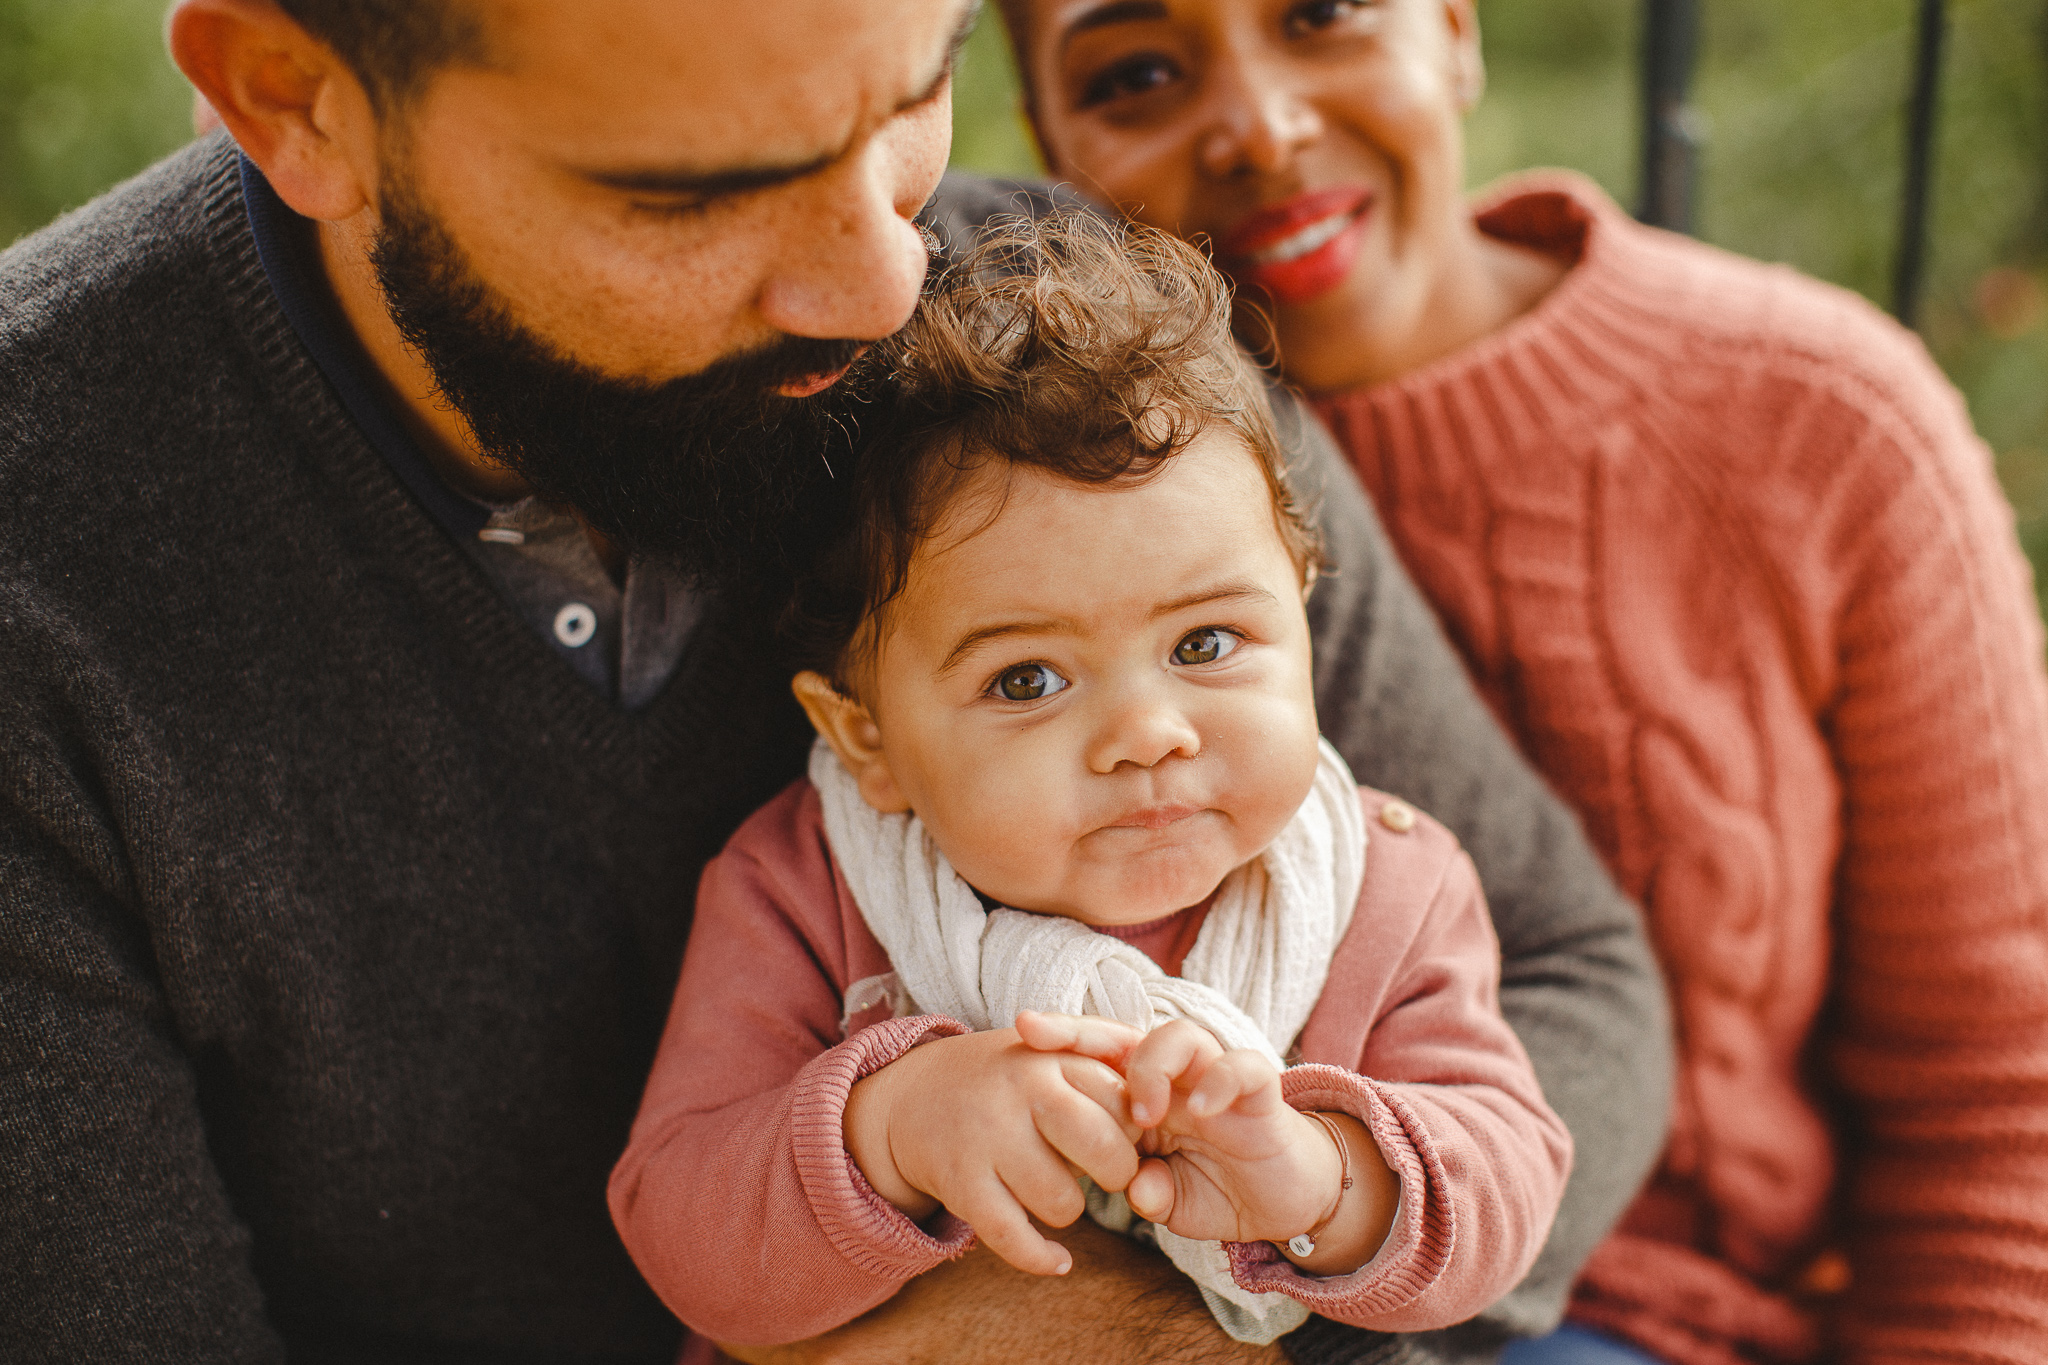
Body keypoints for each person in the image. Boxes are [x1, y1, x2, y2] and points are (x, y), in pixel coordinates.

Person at [0, 1, 1669, 1361]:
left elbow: (1572, 988)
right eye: (694, 192)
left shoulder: (1063, 362)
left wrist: (1162, 1308)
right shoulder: (47, 571)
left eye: (911, 100)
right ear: (294, 98)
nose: (886, 284)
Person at [997, 0, 2048, 1360]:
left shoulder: (1824, 421)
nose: (1260, 125)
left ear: (1453, 25)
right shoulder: (1016, 514)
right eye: (1137, 74)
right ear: (1050, 153)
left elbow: (1993, 1100)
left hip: (1681, 1320)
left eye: (1322, 16)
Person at [608, 218, 1572, 1360]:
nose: (1146, 735)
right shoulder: (809, 890)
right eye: (1027, 678)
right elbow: (681, 1231)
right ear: (864, 741)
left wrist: (1321, 1180)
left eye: (1208, 643)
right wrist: (889, 1130)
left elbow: (1509, 1169)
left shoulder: (1382, 888)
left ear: (1303, 610)